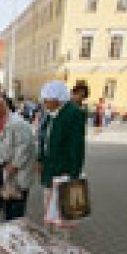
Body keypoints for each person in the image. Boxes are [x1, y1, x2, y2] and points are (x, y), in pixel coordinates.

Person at [38, 80, 86, 213]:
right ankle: (49, 232)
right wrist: (40, 158)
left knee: (62, 212)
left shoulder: (74, 113)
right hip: (49, 169)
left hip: (63, 171)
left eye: (47, 99)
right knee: (48, 209)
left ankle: (59, 234)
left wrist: (73, 175)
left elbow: (77, 147)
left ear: (57, 98)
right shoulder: (50, 112)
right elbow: (44, 137)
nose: (44, 102)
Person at [0, 96, 35, 220]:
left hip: (20, 171)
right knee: (8, 202)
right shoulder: (1, 125)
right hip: (8, 169)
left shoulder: (17, 124)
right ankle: (8, 227)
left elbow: (25, 146)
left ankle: (15, 230)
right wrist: (3, 163)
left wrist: (15, 165)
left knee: (17, 206)